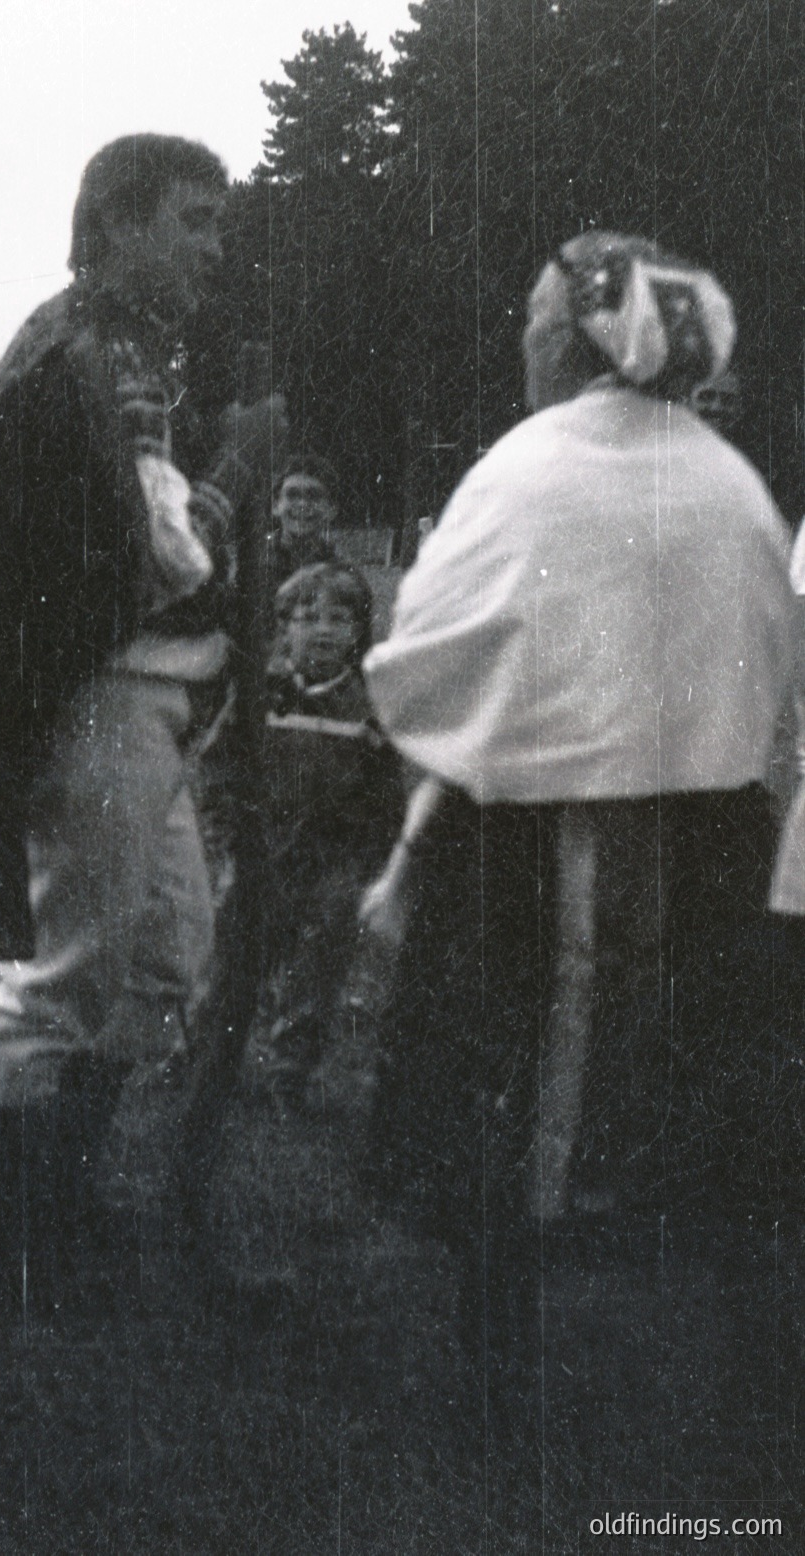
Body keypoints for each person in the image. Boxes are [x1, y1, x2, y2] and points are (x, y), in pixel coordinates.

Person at [361, 232, 797, 1429]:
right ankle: (751, 1396)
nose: (521, 336)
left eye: (530, 315)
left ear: (572, 334)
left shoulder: (526, 466)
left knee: (498, 1111)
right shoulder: (730, 479)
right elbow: (765, 658)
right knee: (711, 1114)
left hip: (518, 842)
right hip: (706, 843)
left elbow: (424, 648)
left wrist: (498, 724)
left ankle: (494, 1379)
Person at [0, 133, 283, 1315]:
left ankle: (52, 1209)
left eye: (220, 223)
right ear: (111, 225)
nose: (215, 248)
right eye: (192, 221)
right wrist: (237, 465)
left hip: (149, 695)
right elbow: (158, 556)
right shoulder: (86, 357)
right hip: (101, 694)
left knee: (165, 957)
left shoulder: (123, 353)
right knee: (61, 981)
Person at [242, 562, 402, 1102]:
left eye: (339, 618)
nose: (323, 629)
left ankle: (291, 1067)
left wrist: (365, 863)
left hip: (332, 862)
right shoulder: (259, 696)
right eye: (307, 617)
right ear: (283, 626)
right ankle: (207, 1052)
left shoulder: (366, 706)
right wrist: (226, 830)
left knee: (317, 967)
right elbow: (220, 765)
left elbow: (386, 799)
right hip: (258, 852)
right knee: (236, 955)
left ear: (359, 632)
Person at [264, 453, 342, 595]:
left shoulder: (342, 572)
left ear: (331, 509)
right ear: (275, 505)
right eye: (292, 495)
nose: (302, 504)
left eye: (313, 496)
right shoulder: (254, 566)